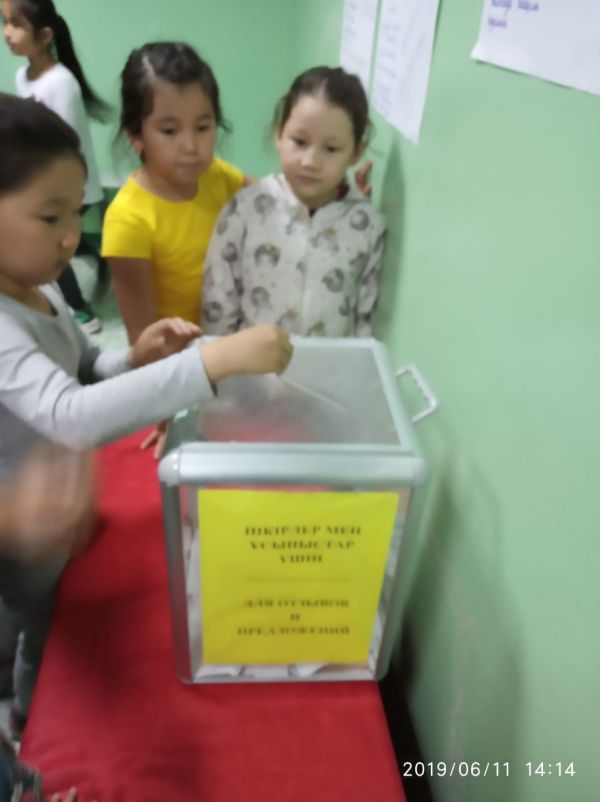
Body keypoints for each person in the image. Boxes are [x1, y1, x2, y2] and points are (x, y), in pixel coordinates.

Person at [0, 93, 293, 734]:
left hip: (61, 524)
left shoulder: (40, 289)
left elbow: (81, 368)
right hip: (16, 536)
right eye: (49, 216)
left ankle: (27, 710)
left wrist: (133, 357)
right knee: (29, 639)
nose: (71, 237)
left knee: (53, 631)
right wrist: (212, 362)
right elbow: (69, 414)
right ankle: (22, 728)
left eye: (75, 214)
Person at [201, 66, 386, 338]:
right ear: (279, 135)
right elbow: (218, 299)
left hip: (329, 365)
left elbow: (365, 317)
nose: (311, 161)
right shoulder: (245, 209)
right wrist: (220, 359)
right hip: (251, 362)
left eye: (331, 149)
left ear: (356, 153)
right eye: (299, 142)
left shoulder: (367, 225)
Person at [102, 41, 250, 345]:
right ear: (136, 136)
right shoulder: (127, 221)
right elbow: (144, 342)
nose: (191, 146)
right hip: (180, 361)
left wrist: (337, 193)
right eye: (170, 131)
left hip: (229, 339)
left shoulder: (217, 175)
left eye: (203, 127)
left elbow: (278, 202)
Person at [1, 0, 108, 334]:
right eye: (5, 23)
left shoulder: (61, 83)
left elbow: (66, 145)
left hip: (74, 185)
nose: (7, 33)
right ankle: (100, 259)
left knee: (52, 243)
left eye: (16, 24)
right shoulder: (23, 76)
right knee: (62, 236)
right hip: (44, 185)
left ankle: (82, 311)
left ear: (45, 35)